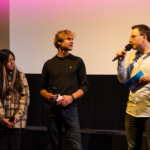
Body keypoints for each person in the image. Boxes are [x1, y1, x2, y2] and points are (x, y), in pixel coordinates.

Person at [40, 30, 88, 150]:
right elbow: (41, 88)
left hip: (70, 108)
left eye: (72, 39)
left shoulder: (77, 61)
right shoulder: (49, 63)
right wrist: (47, 95)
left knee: (76, 145)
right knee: (55, 144)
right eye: (69, 39)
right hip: (51, 108)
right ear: (59, 42)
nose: (72, 41)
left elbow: (85, 86)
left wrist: (71, 97)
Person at [116, 24, 150, 150]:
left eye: (133, 37)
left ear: (144, 37)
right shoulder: (132, 56)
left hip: (149, 111)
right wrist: (121, 62)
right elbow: (122, 79)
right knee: (132, 146)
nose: (130, 40)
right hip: (132, 110)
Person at [0, 49, 30, 150]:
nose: (12, 62)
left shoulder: (20, 76)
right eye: (9, 60)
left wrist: (16, 117)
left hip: (17, 122)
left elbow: (25, 99)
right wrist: (2, 118)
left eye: (13, 59)